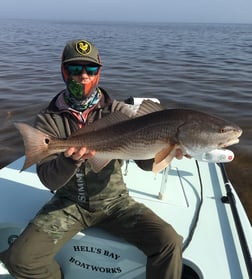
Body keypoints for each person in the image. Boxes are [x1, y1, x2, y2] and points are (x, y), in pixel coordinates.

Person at [0, 39, 183, 279]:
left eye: (91, 69)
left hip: (115, 203)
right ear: (64, 71)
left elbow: (145, 163)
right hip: (69, 204)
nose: (83, 76)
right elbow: (49, 180)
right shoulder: (48, 119)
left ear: (99, 71)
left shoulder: (119, 111)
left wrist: (167, 150)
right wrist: (69, 161)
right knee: (19, 260)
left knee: (168, 241)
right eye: (75, 69)